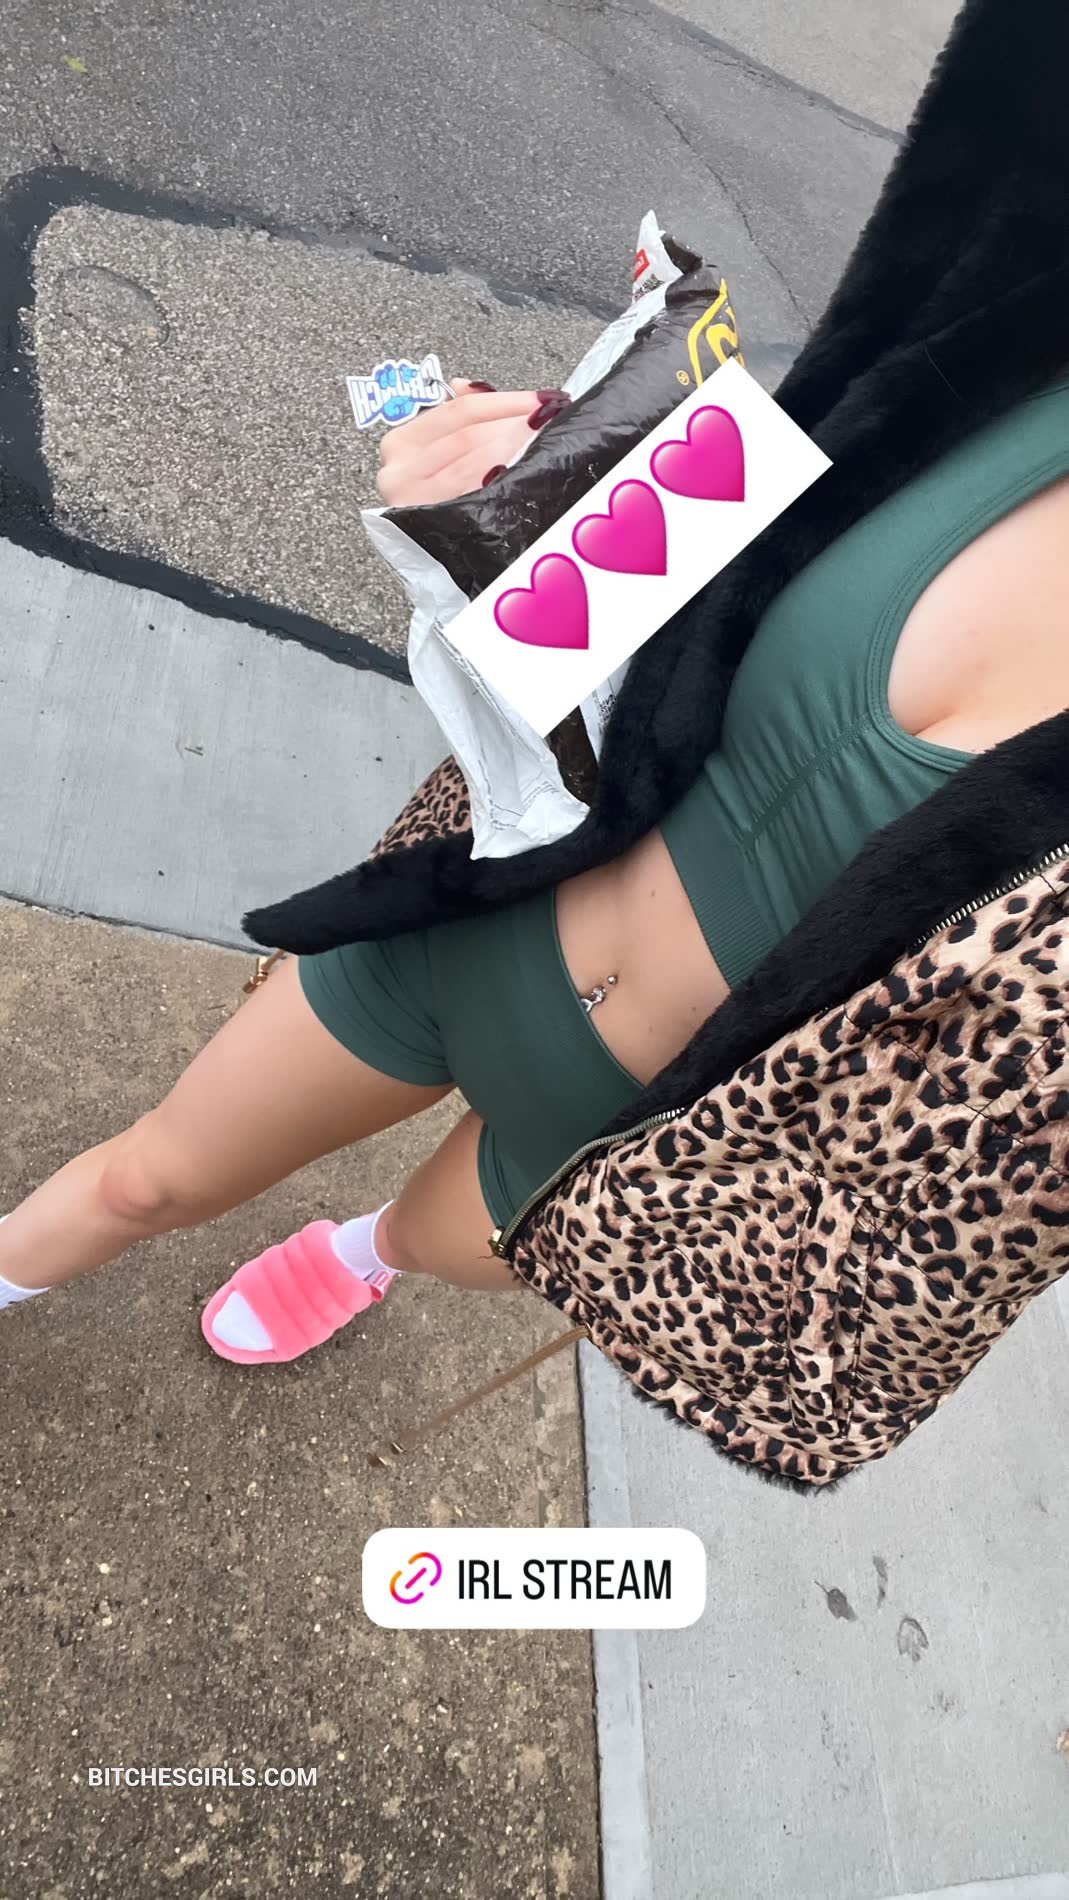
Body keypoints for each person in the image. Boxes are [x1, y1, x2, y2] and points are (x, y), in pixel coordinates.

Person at [3, 0, 1068, 1491]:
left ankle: (360, 1254)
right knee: (144, 1177)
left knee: (419, 1236)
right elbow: (698, 614)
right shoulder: (1012, 336)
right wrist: (525, 511)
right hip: (482, 907)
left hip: (632, 1141)